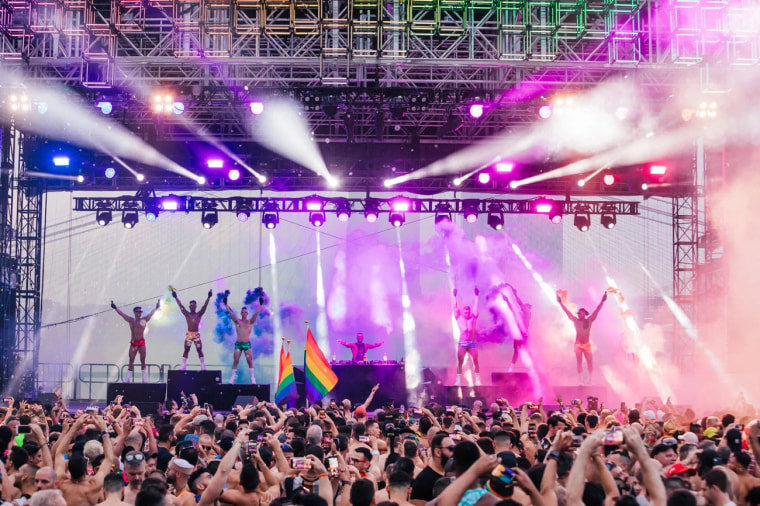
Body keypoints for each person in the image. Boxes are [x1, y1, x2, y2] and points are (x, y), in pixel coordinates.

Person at [557, 291, 607, 385]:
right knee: (579, 362)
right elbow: (567, 312)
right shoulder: (575, 320)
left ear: (585, 313)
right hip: (578, 344)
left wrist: (602, 301)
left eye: (581, 313)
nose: (579, 314)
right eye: (578, 313)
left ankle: (590, 380)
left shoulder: (590, 320)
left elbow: (597, 310)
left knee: (590, 363)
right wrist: (560, 303)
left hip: (587, 345)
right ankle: (581, 381)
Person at [111, 299, 161, 383]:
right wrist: (115, 308)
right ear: (134, 312)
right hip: (134, 343)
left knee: (143, 360)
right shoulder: (131, 320)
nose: (139, 313)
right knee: (131, 360)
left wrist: (156, 307)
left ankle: (144, 378)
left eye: (140, 312)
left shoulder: (144, 320)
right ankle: (127, 378)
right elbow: (122, 315)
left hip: (141, 342)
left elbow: (151, 314)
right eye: (138, 312)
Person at [223, 291, 263, 384]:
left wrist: (260, 305)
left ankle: (253, 378)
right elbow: (231, 314)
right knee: (236, 360)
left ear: (247, 313)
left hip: (247, 344)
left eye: (246, 312)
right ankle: (232, 378)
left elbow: (255, 314)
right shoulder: (237, 321)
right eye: (243, 312)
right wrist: (226, 305)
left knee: (249, 360)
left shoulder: (250, 322)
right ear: (241, 313)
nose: (244, 313)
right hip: (238, 344)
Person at [172, 289, 212, 371]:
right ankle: (183, 365)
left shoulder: (199, 314)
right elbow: (181, 306)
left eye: (193, 305)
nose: (192, 306)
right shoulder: (187, 314)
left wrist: (208, 297)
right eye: (191, 305)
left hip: (196, 334)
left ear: (196, 306)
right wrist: (176, 297)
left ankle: (203, 365)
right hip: (189, 334)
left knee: (199, 350)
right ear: (189, 306)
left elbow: (204, 306)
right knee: (186, 350)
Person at [453, 287, 480, 386]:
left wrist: (477, 296)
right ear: (463, 312)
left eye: (468, 312)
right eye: (465, 312)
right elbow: (455, 307)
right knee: (460, 362)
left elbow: (476, 308)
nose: (467, 313)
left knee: (476, 361)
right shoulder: (459, 318)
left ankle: (478, 380)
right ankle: (458, 380)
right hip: (462, 343)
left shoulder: (473, 318)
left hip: (471, 343)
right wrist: (454, 296)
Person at [503, 285, 531, 372]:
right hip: (518, 334)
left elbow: (520, 303)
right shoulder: (520, 313)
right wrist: (507, 300)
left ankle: (530, 369)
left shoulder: (528, 313)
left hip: (524, 335)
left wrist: (515, 295)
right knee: (516, 351)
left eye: (527, 306)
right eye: (526, 306)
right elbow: (511, 308)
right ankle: (511, 368)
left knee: (525, 351)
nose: (525, 307)